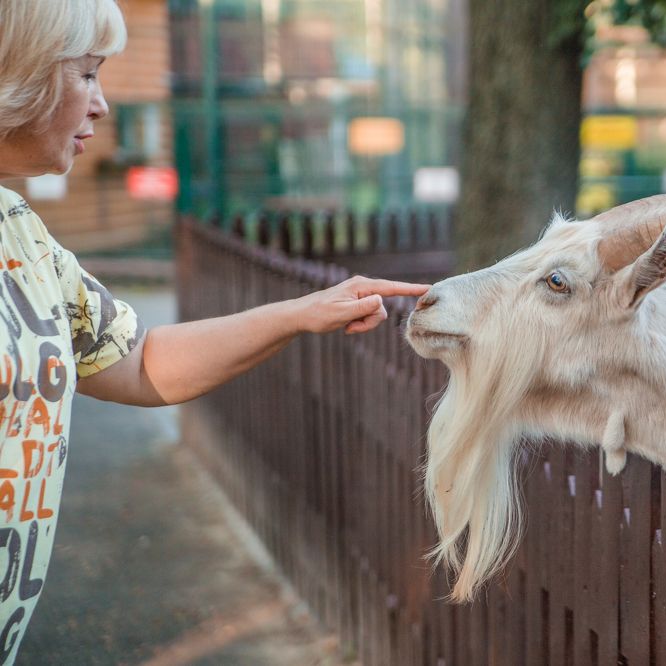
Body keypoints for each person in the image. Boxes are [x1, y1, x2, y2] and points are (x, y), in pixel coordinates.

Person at [0, 1, 429, 661]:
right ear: (18, 73)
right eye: (86, 74)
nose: (102, 105)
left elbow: (136, 361)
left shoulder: (20, 229)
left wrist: (301, 313)